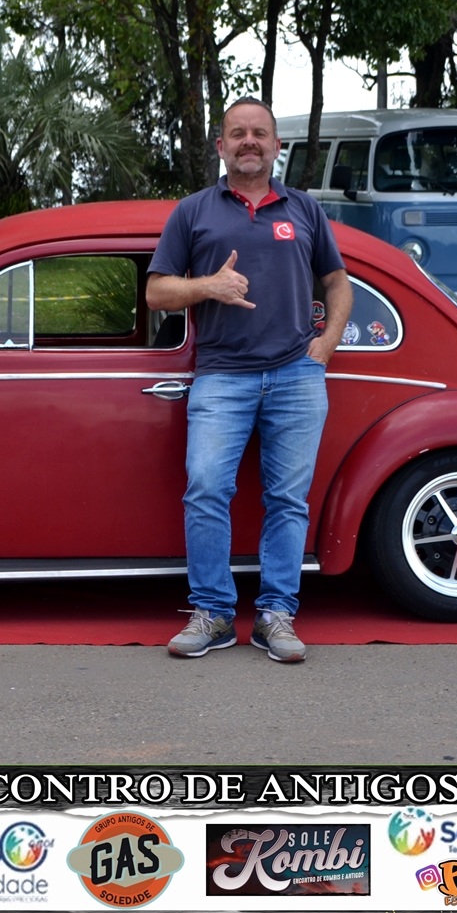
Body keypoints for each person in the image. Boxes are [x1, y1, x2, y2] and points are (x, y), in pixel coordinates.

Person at [147, 97, 352, 663]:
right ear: (221, 145)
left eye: (259, 133)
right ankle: (213, 613)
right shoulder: (193, 211)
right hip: (221, 377)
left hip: (297, 375)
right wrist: (208, 286)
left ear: (276, 146)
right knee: (206, 489)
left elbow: (337, 282)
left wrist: (326, 346)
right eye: (237, 133)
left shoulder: (304, 209)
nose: (249, 142)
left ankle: (276, 615)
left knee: (288, 499)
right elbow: (157, 291)